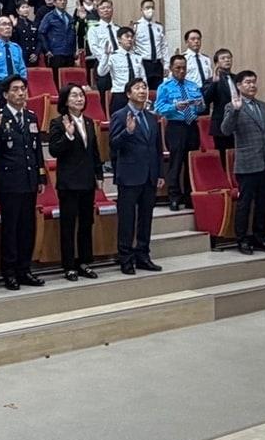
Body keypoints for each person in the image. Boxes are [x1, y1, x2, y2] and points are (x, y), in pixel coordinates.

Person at [0, 75, 46, 291]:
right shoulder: (0, 118)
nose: (21, 93)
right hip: (10, 183)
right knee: (10, 229)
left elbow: (37, 150)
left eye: (23, 89)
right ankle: (9, 272)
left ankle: (24, 269)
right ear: (5, 94)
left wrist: (41, 176)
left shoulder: (31, 117)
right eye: (15, 89)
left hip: (29, 181)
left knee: (27, 228)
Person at [220, 70, 265, 255]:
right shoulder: (232, 106)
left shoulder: (263, 106)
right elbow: (225, 130)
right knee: (245, 203)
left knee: (263, 203)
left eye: (254, 82)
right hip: (247, 163)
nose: (252, 85)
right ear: (239, 86)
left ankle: (259, 237)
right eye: (247, 82)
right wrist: (235, 110)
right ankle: (242, 239)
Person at [46, 83, 101, 281]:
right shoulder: (57, 122)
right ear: (65, 100)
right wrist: (68, 135)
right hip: (69, 183)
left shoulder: (89, 122)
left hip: (87, 181)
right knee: (68, 225)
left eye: (81, 95)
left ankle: (84, 262)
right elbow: (54, 150)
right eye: (74, 95)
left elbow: (94, 152)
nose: (79, 99)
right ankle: (69, 265)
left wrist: (99, 175)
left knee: (86, 223)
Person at [109, 78, 164, 274]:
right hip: (129, 175)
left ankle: (143, 255)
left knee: (145, 218)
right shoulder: (119, 115)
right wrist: (128, 132)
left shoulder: (151, 117)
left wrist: (159, 173)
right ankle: (125, 258)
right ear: (128, 93)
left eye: (144, 88)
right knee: (127, 219)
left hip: (149, 175)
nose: (142, 91)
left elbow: (157, 148)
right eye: (137, 88)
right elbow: (113, 145)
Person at [153, 54, 203, 210]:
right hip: (176, 126)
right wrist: (175, 107)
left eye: (184, 68)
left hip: (192, 126)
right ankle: (174, 197)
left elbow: (201, 107)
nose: (181, 71)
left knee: (190, 162)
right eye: (178, 68)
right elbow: (158, 108)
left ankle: (189, 196)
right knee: (176, 163)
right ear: (171, 68)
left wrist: (200, 105)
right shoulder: (165, 87)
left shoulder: (193, 85)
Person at [98, 26, 145, 118]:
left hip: (136, 94)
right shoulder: (113, 56)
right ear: (119, 39)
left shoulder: (138, 56)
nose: (130, 39)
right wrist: (105, 55)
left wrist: (145, 95)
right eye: (127, 36)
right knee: (119, 122)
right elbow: (101, 72)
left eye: (132, 37)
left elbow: (143, 78)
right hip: (120, 94)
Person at [201, 49, 238, 164]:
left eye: (229, 58)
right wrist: (214, 82)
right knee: (224, 159)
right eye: (223, 58)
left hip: (238, 124)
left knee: (237, 158)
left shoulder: (237, 79)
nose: (227, 60)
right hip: (221, 124)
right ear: (217, 63)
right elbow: (206, 99)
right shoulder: (211, 81)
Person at [86, 0, 119, 105]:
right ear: (98, 11)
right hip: (103, 64)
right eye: (103, 8)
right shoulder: (94, 29)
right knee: (104, 96)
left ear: (112, 9)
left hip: (119, 66)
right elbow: (94, 48)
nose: (106, 10)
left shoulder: (118, 29)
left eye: (108, 7)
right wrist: (107, 58)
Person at [37, 0, 76, 77]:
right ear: (54, 2)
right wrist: (47, 50)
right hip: (55, 53)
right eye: (60, 0)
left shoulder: (70, 18)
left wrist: (74, 51)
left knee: (69, 78)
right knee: (57, 78)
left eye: (64, 0)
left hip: (69, 53)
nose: (63, 2)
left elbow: (73, 35)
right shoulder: (49, 17)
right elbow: (41, 33)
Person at [133, 0, 167, 90]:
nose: (150, 10)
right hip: (144, 63)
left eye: (152, 7)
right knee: (144, 89)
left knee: (159, 90)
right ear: (141, 10)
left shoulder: (158, 26)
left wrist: (166, 64)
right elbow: (133, 46)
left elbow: (163, 46)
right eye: (147, 8)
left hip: (157, 64)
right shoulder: (136, 26)